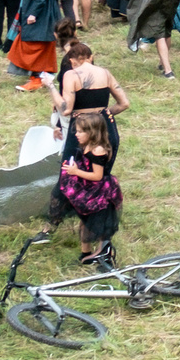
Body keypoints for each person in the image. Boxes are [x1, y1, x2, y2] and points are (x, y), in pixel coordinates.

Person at [47, 107, 122, 263]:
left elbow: (97, 176)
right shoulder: (88, 145)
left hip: (98, 193)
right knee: (85, 220)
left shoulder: (98, 150)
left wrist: (76, 172)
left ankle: (104, 253)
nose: (76, 134)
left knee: (95, 225)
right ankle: (85, 253)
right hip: (87, 190)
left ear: (92, 132)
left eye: (80, 132)